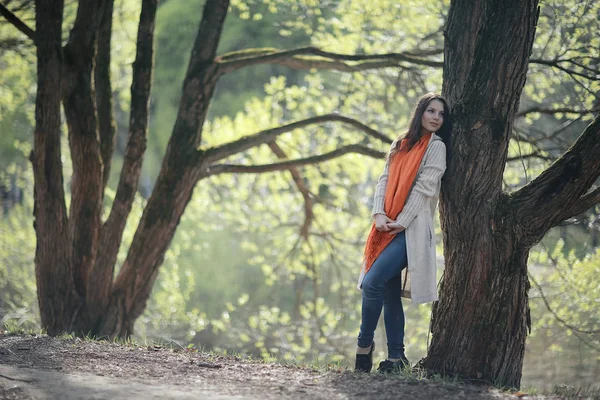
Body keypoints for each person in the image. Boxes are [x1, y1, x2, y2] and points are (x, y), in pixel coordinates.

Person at [354, 93, 451, 373]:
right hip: (385, 227)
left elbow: (426, 186)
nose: (435, 117)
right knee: (387, 292)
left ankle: (363, 347)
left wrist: (403, 221)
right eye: (431, 111)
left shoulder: (437, 147)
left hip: (410, 231)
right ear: (420, 112)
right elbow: (383, 180)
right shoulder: (400, 143)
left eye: (441, 114)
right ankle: (396, 358)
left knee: (371, 283)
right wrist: (379, 214)